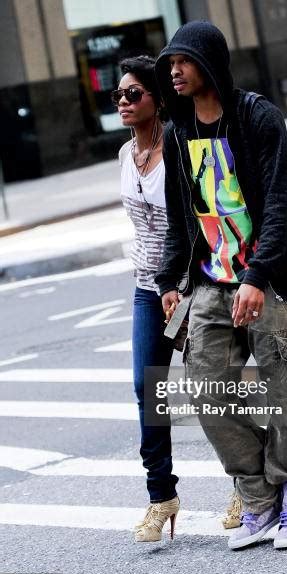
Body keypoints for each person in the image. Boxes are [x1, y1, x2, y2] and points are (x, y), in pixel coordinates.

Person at [154, 21, 287, 550]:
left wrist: (257, 275)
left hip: (268, 277)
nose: (175, 72)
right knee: (206, 391)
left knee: (282, 387)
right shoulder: (177, 131)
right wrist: (170, 279)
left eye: (183, 61)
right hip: (210, 280)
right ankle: (258, 495)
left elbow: (277, 203)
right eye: (169, 65)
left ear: (209, 63)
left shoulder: (257, 117)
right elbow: (182, 215)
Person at [113, 56, 179, 542]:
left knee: (217, 384)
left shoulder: (175, 145)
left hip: (186, 285)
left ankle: (248, 482)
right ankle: (161, 495)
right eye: (118, 95)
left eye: (134, 94)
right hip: (145, 286)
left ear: (156, 98)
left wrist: (176, 283)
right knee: (147, 388)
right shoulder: (123, 155)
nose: (123, 101)